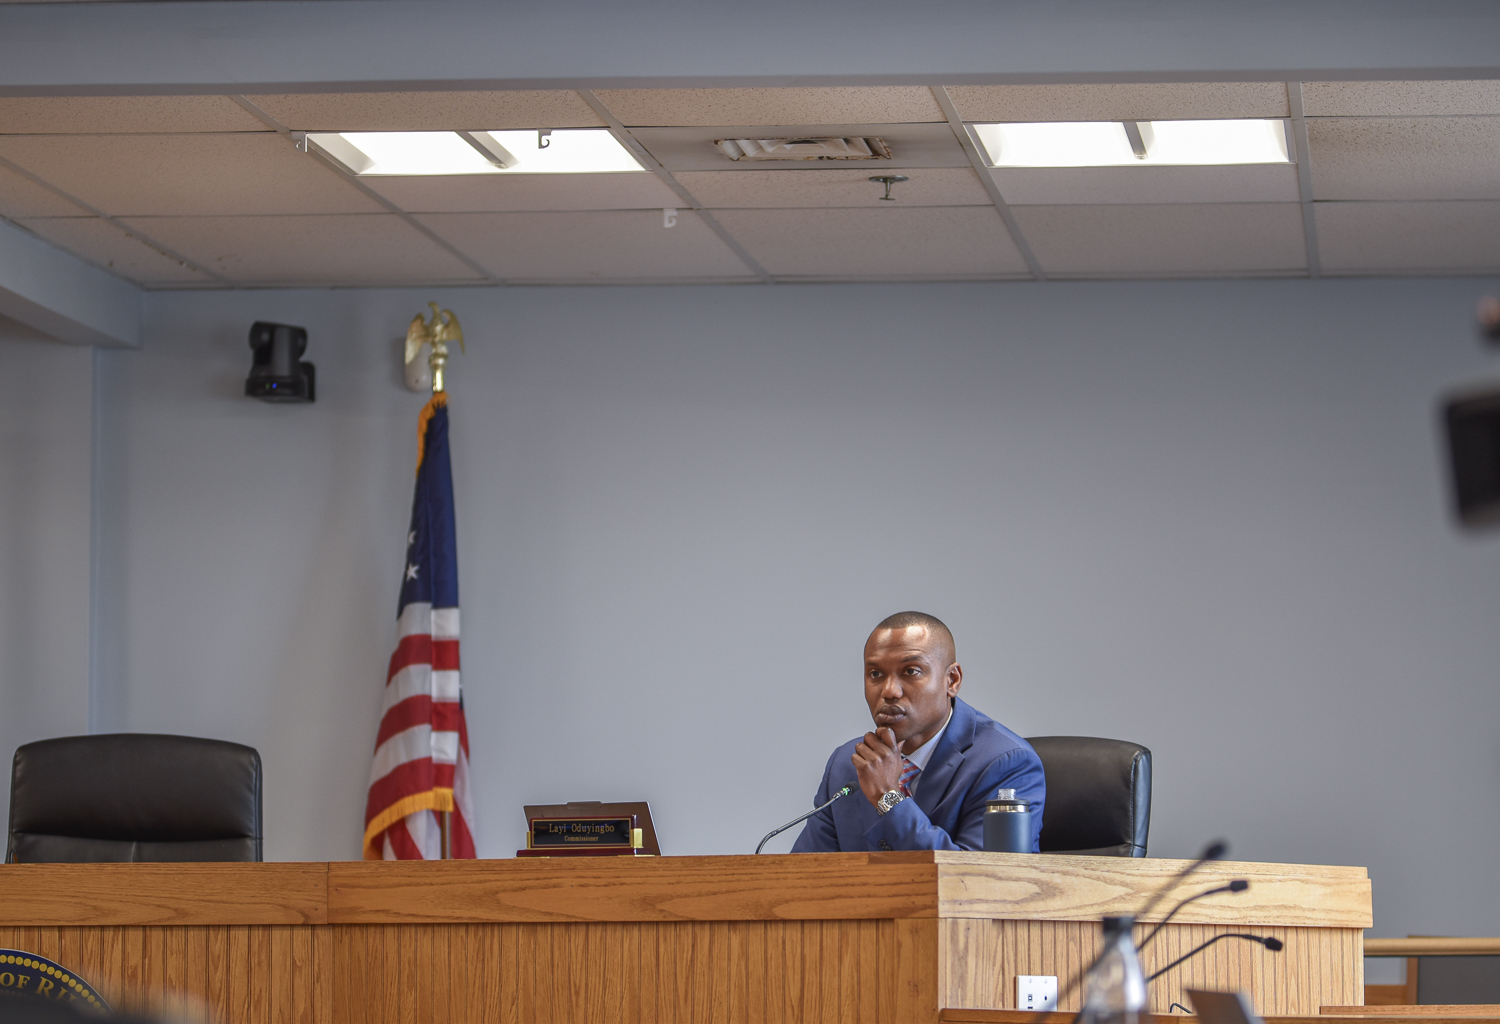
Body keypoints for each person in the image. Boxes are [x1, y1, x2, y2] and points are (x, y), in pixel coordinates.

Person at [791, 611, 1045, 852]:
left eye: (911, 671)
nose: (889, 691)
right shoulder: (847, 763)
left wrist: (887, 797)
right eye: (875, 674)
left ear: (952, 680)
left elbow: (974, 876)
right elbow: (805, 873)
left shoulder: (1007, 763)